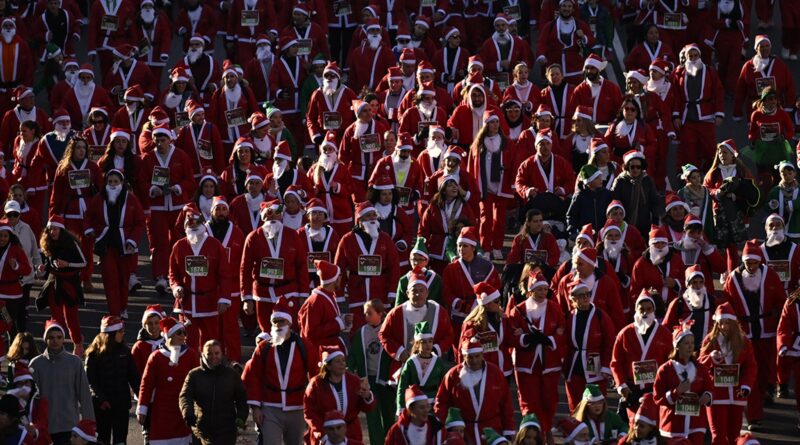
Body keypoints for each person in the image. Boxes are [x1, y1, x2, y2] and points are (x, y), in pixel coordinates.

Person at [722, 240, 786, 430]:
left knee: (765, 370)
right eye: (748, 262)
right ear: (744, 261)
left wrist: (777, 322)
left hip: (766, 332)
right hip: (744, 335)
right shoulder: (733, 279)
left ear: (760, 262)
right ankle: (754, 416)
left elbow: (781, 301)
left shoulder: (770, 275)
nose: (751, 266)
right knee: (750, 374)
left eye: (755, 263)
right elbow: (727, 305)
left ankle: (766, 390)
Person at [243, 296, 319, 445]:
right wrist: (256, 407)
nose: (278, 325)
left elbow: (315, 375)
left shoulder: (304, 346)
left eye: (281, 321)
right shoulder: (263, 348)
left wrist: (315, 403)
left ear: (290, 323)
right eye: (274, 322)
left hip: (297, 407)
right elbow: (252, 377)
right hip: (270, 407)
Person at [507, 269, 565, 437]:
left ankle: (546, 432)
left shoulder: (554, 308)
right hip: (526, 364)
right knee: (528, 402)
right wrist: (526, 339)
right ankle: (531, 435)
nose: (542, 293)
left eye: (545, 289)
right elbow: (511, 334)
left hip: (549, 364)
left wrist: (550, 340)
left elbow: (563, 331)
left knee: (549, 400)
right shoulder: (519, 310)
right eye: (539, 289)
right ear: (531, 290)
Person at [139, 125, 196, 293]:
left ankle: (180, 275)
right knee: (159, 243)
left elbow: (190, 181)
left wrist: (178, 187)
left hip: (178, 206)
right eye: (156, 140)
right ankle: (160, 276)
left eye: (163, 140)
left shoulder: (181, 156)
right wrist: (151, 189)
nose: (159, 143)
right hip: (158, 207)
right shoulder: (148, 158)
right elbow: (142, 182)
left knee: (179, 241)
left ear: (170, 140)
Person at [84, 170, 144, 319]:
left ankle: (123, 308)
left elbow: (139, 222)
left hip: (125, 245)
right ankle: (114, 312)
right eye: (109, 182)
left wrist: (132, 240)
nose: (112, 185)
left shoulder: (131, 199)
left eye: (115, 182)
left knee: (123, 280)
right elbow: (88, 216)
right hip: (106, 245)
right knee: (110, 280)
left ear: (121, 183)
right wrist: (90, 230)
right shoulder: (99, 198)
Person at [169, 207, 232, 349]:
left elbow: (225, 274)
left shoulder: (215, 245)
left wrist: (224, 298)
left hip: (209, 302)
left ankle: (210, 368)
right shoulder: (179, 246)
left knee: (210, 342)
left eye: (197, 223)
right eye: (190, 224)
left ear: (202, 224)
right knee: (187, 342)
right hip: (187, 303)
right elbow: (173, 273)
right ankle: (189, 368)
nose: (194, 227)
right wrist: (176, 287)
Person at [434, 335, 515, 444]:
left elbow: (506, 404)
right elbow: (441, 402)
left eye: (477, 356)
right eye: (470, 357)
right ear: (464, 357)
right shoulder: (453, 375)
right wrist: (439, 428)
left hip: (492, 429)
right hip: (464, 432)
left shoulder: (495, 373)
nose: (474, 360)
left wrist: (509, 430)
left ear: (482, 355)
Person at [380, 267, 455, 386]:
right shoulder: (397, 312)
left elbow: (449, 335)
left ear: (427, 293)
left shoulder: (438, 311)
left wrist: (435, 350)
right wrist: (400, 352)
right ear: (407, 293)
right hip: (404, 365)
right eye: (414, 290)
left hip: (431, 366)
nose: (418, 294)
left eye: (421, 290)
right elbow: (384, 335)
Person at [698, 303, 757, 444]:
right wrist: (710, 358)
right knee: (718, 436)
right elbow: (699, 365)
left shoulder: (744, 342)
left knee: (734, 436)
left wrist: (745, 386)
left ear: (734, 323)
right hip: (716, 394)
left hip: (737, 395)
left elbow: (750, 366)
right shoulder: (710, 340)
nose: (724, 327)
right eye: (721, 323)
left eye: (727, 323)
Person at [136, 317, 200, 445]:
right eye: (179, 333)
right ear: (169, 336)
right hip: (162, 410)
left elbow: (198, 383)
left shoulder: (191, 355)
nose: (183, 336)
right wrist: (142, 408)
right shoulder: (156, 357)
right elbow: (146, 384)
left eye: (184, 332)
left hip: (183, 410)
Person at [49, 136, 101, 291]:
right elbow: (56, 194)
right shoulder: (63, 167)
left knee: (87, 248)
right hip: (70, 213)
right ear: (72, 149)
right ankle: (71, 276)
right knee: (71, 247)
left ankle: (86, 278)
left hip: (87, 213)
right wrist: (53, 217)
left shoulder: (93, 167)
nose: (81, 150)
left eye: (83, 148)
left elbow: (101, 190)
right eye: (78, 147)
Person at [29, 320, 94, 445]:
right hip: (44, 427)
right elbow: (30, 399)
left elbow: (84, 395)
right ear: (45, 339)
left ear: (63, 338)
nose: (55, 341)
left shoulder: (74, 362)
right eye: (51, 337)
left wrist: (89, 424)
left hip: (68, 426)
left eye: (59, 337)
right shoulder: (36, 364)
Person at [611, 291, 673, 418]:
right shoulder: (625, 334)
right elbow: (615, 363)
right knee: (635, 427)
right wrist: (621, 385)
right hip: (631, 389)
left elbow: (671, 362)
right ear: (636, 310)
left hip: (655, 389)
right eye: (642, 309)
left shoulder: (665, 334)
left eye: (649, 309)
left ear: (654, 310)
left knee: (654, 425)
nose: (645, 313)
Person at [652, 322, 713, 445]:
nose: (690, 346)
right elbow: (657, 398)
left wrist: (707, 396)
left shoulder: (700, 368)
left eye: (692, 343)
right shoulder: (665, 369)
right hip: (673, 424)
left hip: (696, 424)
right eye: (686, 343)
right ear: (677, 346)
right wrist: (676, 392)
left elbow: (709, 387)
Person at [703, 140, 759, 272]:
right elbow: (705, 189)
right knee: (722, 247)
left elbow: (752, 190)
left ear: (733, 154)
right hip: (719, 214)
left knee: (734, 247)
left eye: (725, 152)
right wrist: (716, 193)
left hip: (737, 214)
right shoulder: (714, 172)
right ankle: (724, 272)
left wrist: (736, 195)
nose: (722, 155)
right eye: (720, 153)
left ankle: (733, 275)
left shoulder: (742, 171)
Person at [180, 339, 248, 444]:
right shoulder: (194, 375)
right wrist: (188, 413)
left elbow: (241, 397)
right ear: (203, 355)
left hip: (227, 429)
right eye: (209, 354)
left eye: (217, 353)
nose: (213, 356)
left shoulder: (231, 374)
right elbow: (185, 396)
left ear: (222, 354)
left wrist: (241, 416)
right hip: (202, 428)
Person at [467, 109, 515, 259]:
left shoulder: (507, 143)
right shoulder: (478, 144)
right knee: (485, 219)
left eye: (496, 122)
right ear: (485, 125)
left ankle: (497, 247)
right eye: (491, 122)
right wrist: (473, 186)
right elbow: (471, 166)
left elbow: (513, 163)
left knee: (499, 220)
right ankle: (486, 248)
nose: (494, 125)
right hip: (485, 187)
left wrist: (512, 182)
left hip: (501, 186)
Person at [303, 346, 376, 445]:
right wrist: (323, 436)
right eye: (337, 361)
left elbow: (367, 408)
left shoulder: (354, 380)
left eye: (343, 360)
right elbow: (309, 413)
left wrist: (367, 396)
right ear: (328, 366)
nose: (342, 364)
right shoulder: (316, 384)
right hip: (326, 433)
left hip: (351, 433)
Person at [84, 316, 139, 445]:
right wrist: (101, 399)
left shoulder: (125, 352)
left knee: (120, 440)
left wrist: (142, 400)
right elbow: (90, 381)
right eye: (120, 331)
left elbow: (134, 378)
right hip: (102, 406)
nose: (123, 334)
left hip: (121, 404)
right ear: (111, 334)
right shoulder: (93, 354)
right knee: (102, 439)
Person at [36, 216, 86, 355]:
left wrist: (67, 264)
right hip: (54, 283)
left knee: (71, 317)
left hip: (69, 284)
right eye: (50, 229)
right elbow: (48, 263)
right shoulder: (47, 243)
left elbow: (84, 263)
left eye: (55, 229)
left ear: (61, 230)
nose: (52, 232)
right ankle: (57, 347)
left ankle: (78, 343)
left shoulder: (71, 243)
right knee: (56, 317)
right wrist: (42, 268)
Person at [672, 44, 725, 171]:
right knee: (688, 148)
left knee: (709, 148)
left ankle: (711, 172)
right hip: (687, 116)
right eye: (690, 56)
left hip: (706, 115)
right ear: (686, 57)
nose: (694, 58)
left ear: (700, 56)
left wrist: (719, 113)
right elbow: (675, 96)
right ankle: (690, 175)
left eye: (696, 55)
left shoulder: (710, 71)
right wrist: (676, 115)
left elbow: (718, 92)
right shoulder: (679, 72)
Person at [419, 176, 478, 273]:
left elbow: (472, 228)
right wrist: (423, 248)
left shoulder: (465, 206)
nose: (454, 188)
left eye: (456, 185)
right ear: (443, 190)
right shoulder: (433, 206)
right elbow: (423, 229)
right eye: (450, 186)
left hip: (457, 249)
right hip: (436, 249)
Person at [629, 226, 686, 316]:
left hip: (674, 309)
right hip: (649, 312)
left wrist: (675, 283)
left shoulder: (676, 260)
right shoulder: (640, 264)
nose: (660, 246)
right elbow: (634, 292)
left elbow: (687, 282)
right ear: (650, 245)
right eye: (656, 243)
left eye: (663, 243)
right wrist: (647, 297)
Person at [745, 87, 795, 189]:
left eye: (775, 98)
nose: (773, 101)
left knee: (778, 176)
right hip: (762, 149)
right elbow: (752, 132)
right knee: (764, 178)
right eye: (770, 99)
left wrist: (783, 137)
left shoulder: (782, 114)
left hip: (778, 149)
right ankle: (764, 198)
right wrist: (753, 141)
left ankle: (777, 198)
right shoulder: (756, 114)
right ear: (763, 101)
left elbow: (791, 130)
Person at [611, 150, 664, 237]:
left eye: (638, 167)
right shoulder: (620, 181)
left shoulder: (647, 180)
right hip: (624, 225)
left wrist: (655, 221)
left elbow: (654, 201)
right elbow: (615, 202)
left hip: (645, 225)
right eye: (632, 167)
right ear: (628, 167)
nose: (635, 169)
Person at [572, 55, 623, 125]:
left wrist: (613, 125)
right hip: (585, 131)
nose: (589, 71)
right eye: (587, 68)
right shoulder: (579, 90)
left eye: (592, 68)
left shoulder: (613, 88)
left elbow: (619, 111)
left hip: (607, 129)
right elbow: (572, 113)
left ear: (599, 69)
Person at [131, 304, 166, 374]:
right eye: (149, 323)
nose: (153, 326)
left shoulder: (168, 342)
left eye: (157, 323)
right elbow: (134, 372)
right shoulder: (139, 346)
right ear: (144, 325)